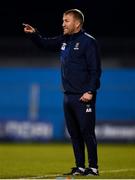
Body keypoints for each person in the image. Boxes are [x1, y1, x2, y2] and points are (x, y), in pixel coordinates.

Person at [23, 9, 101, 176]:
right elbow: (45, 44)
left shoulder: (89, 42)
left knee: (87, 132)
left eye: (66, 21)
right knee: (74, 134)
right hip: (68, 95)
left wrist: (90, 91)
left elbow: (95, 70)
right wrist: (34, 34)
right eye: (63, 20)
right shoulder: (65, 40)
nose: (63, 24)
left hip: (83, 95)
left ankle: (93, 167)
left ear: (77, 23)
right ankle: (80, 166)